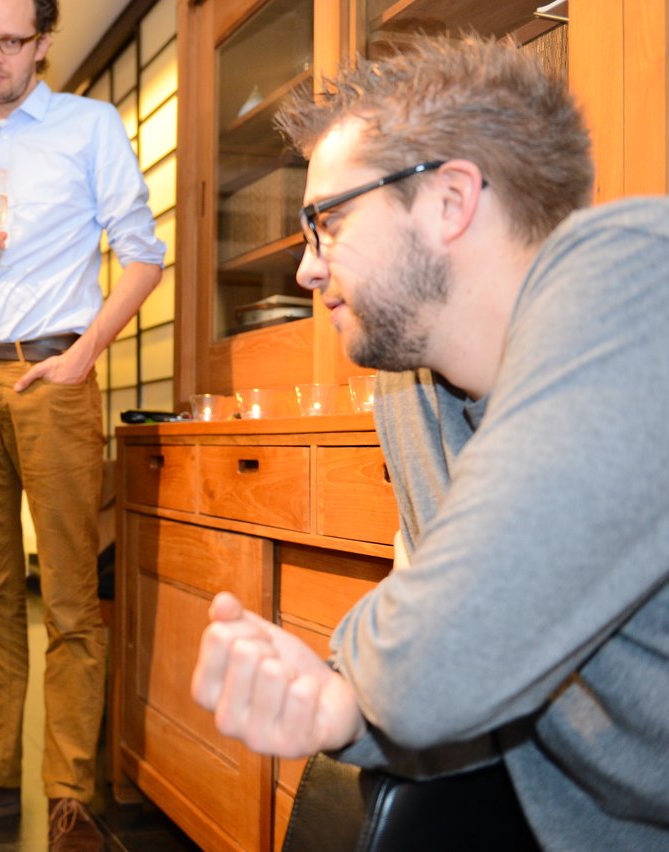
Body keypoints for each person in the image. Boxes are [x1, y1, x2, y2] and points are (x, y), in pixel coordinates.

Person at [190, 36, 669, 850]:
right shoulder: (411, 387)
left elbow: (428, 664)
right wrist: (342, 701)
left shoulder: (636, 279)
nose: (306, 270)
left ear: (450, 200)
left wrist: (369, 670)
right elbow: (441, 667)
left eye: (328, 221)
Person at [0, 1, 165, 848]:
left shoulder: (90, 127)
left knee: (71, 598)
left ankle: (71, 796)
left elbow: (144, 255)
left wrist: (85, 355)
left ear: (44, 44)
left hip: (54, 374)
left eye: (12, 41)